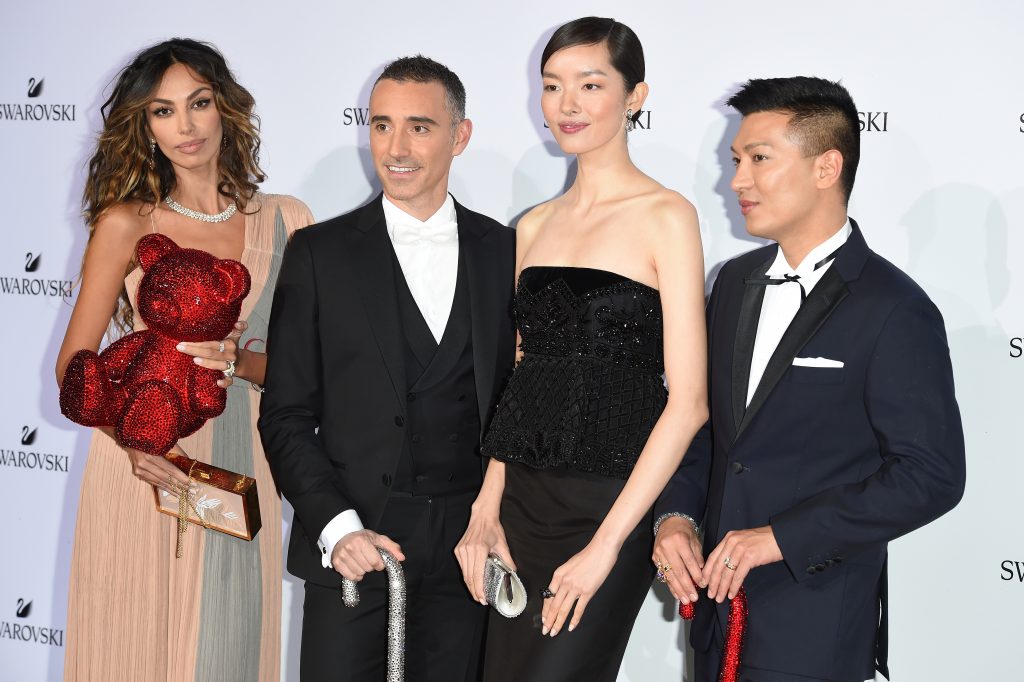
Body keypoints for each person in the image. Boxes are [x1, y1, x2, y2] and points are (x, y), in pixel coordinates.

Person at [653, 76, 966, 682]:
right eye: (736, 161)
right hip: (716, 620)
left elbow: (931, 475)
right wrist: (675, 518)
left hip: (817, 626)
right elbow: (705, 426)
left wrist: (780, 538)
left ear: (827, 167)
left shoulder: (894, 307)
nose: (737, 181)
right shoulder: (732, 282)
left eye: (759, 159)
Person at [454, 17, 708, 681]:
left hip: (610, 504)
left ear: (635, 96)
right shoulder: (533, 225)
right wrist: (486, 506)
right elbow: (521, 377)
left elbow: (689, 403)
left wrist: (608, 546)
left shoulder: (668, 216)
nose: (566, 104)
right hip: (520, 505)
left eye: (590, 85)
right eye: (552, 85)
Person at [55, 39, 313, 681]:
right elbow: (73, 367)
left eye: (198, 103)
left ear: (225, 107)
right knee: (132, 650)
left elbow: (314, 368)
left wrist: (240, 362)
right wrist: (132, 442)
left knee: (228, 649)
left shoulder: (287, 221)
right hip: (143, 467)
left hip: (240, 464)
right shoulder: (127, 223)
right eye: (163, 111)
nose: (186, 126)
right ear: (145, 125)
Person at [258, 55, 516, 681]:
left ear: (460, 136)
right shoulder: (318, 253)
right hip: (355, 541)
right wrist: (337, 527)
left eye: (419, 127)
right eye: (381, 125)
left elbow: (521, 403)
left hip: (468, 549)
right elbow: (285, 414)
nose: (395, 148)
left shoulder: (506, 251)